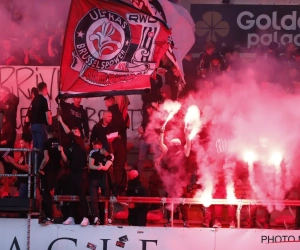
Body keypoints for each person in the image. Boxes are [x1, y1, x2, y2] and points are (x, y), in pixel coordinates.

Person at [57, 115, 89, 226]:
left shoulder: (80, 141)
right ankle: (71, 217)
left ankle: (85, 217)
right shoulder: (70, 146)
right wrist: (62, 152)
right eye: (73, 131)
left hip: (81, 172)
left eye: (76, 131)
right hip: (72, 172)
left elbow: (68, 132)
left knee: (81, 195)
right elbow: (66, 160)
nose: (74, 132)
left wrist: (61, 120)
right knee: (71, 195)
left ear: (79, 134)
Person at [159, 124, 192, 227]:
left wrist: (187, 134)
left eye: (174, 144)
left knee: (182, 202)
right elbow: (161, 144)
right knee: (170, 201)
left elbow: (189, 144)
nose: (172, 146)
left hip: (181, 181)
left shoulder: (183, 152)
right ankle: (170, 220)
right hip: (171, 180)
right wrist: (161, 133)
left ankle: (185, 221)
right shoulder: (168, 151)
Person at [38, 125, 62, 225]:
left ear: (47, 132)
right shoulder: (59, 143)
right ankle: (51, 215)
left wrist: (40, 168)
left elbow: (46, 158)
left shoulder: (46, 143)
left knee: (46, 194)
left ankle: (49, 217)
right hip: (57, 171)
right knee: (51, 193)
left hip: (47, 172)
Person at [88, 140, 114, 225]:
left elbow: (106, 167)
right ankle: (96, 217)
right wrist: (97, 167)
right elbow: (90, 165)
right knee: (93, 198)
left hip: (104, 179)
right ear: (102, 149)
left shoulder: (110, 156)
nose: (108, 153)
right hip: (94, 178)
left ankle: (109, 217)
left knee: (107, 197)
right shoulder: (94, 153)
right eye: (107, 151)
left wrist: (102, 167)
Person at [30, 82, 52, 167]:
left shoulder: (34, 100)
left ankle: (33, 166)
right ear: (45, 89)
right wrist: (50, 123)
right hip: (41, 126)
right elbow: (47, 115)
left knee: (35, 148)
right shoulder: (44, 99)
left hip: (33, 126)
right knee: (42, 148)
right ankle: (40, 169)